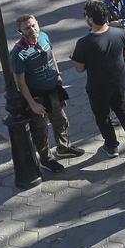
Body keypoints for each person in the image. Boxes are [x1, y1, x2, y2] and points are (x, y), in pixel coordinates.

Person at [11, 15, 83, 167]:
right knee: (40, 130)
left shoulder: (43, 36)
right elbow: (21, 82)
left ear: (37, 24)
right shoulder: (19, 53)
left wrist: (57, 75)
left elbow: (52, 54)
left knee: (61, 120)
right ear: (20, 31)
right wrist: (32, 104)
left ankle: (64, 147)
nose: (32, 30)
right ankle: (46, 159)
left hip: (53, 90)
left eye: (33, 25)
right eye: (27, 28)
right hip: (37, 96)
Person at [72, 1, 125, 158]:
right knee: (122, 109)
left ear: (90, 19)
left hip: (98, 87)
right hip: (119, 82)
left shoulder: (84, 43)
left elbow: (79, 68)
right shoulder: (119, 33)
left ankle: (111, 146)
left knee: (102, 115)